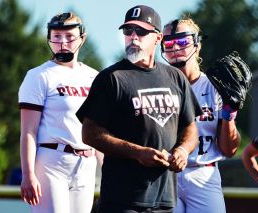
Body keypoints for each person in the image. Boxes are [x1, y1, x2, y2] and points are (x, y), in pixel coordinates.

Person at [76, 5, 202, 213]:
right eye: (128, 31)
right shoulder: (111, 78)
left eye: (142, 31)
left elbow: (190, 128)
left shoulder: (175, 78)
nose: (133, 37)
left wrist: (182, 150)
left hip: (165, 198)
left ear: (158, 38)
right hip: (122, 199)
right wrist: (137, 153)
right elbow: (89, 133)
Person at [18, 12, 100, 213]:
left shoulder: (94, 76)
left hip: (86, 163)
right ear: (49, 38)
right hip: (52, 161)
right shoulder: (38, 76)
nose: (63, 42)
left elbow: (98, 129)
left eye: (70, 36)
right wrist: (28, 174)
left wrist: (108, 168)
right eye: (57, 36)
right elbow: (28, 131)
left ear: (82, 38)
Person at [161, 17, 241, 213]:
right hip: (164, 174)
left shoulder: (215, 87)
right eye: (168, 43)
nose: (175, 48)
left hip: (204, 172)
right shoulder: (156, 86)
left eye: (182, 42)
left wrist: (229, 117)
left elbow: (229, 150)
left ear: (197, 44)